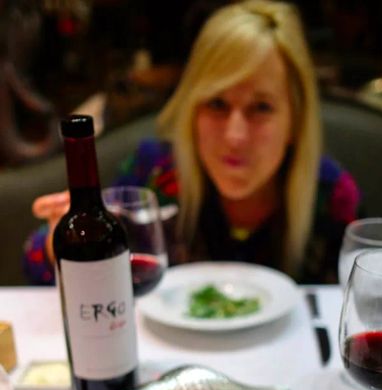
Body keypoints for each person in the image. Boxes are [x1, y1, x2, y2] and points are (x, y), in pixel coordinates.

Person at [23, 0, 361, 285]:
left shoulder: (329, 193)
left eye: (261, 108)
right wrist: (63, 242)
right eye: (217, 104)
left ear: (295, 121)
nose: (235, 136)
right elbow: (35, 263)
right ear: (191, 111)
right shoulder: (154, 173)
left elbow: (360, 297)